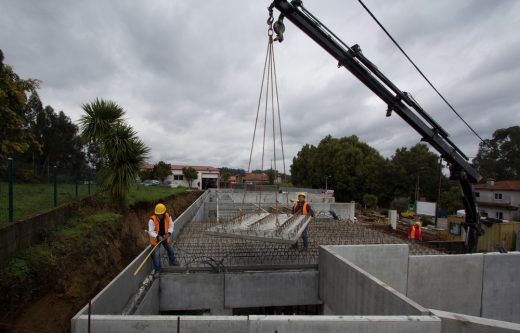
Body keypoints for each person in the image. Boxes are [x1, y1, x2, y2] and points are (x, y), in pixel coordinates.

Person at [148, 203, 178, 274]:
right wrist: (158, 237)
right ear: (156, 214)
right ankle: (158, 270)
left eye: (162, 214)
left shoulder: (167, 216)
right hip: (156, 239)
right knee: (156, 254)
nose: (160, 215)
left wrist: (169, 233)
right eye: (159, 214)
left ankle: (172, 261)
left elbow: (171, 225)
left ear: (164, 212)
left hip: (165, 237)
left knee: (170, 249)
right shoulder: (152, 220)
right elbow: (150, 231)